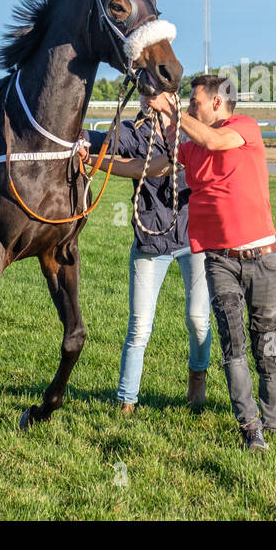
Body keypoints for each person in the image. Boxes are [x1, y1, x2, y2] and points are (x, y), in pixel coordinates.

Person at [144, 75, 276, 453]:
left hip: (264, 258)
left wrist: (171, 110)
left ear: (218, 104)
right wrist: (100, 162)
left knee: (265, 344)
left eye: (194, 104)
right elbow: (154, 166)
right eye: (187, 105)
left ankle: (273, 421)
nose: (190, 110)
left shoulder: (242, 128)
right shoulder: (191, 148)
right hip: (219, 260)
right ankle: (250, 427)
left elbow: (214, 141)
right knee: (233, 346)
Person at [78, 96, 211, 415]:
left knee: (198, 318)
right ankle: (127, 401)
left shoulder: (193, 129)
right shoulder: (134, 132)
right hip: (151, 241)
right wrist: (82, 142)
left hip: (194, 236)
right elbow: (100, 139)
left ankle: (198, 379)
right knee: (139, 325)